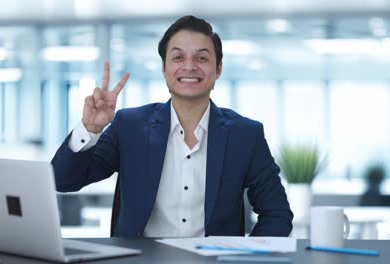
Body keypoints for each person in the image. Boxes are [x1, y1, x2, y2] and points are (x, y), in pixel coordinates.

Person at [52, 15, 293, 237]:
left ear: (218, 69)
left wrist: (245, 258)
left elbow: (277, 214)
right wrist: (90, 129)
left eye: (202, 58)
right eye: (178, 57)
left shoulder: (245, 135)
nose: (189, 66)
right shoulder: (130, 127)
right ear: (164, 68)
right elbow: (63, 181)